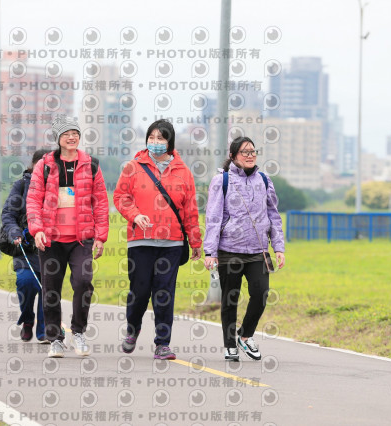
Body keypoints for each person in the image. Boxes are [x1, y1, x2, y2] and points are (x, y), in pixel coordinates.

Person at [113, 119, 202, 360]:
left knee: (164, 293)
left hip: (172, 243)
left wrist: (195, 241)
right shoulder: (133, 167)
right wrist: (135, 215)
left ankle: (163, 343)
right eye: (151, 138)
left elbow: (190, 210)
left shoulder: (183, 172)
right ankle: (133, 329)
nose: (155, 142)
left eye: (160, 138)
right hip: (141, 241)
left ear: (169, 142)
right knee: (140, 291)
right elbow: (120, 197)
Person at [26, 117, 109, 358]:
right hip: (51, 239)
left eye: (75, 133)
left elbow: (100, 203)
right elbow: (33, 200)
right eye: (66, 134)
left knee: (83, 282)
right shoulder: (45, 165)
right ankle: (55, 339)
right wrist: (37, 230)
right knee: (51, 289)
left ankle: (78, 332)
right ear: (58, 139)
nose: (71, 137)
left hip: (81, 239)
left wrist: (101, 236)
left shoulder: (91, 165)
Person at [203, 137, 285, 361]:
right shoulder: (222, 181)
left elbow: (274, 215)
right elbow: (213, 218)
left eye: (252, 151)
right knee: (230, 299)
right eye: (244, 152)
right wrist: (210, 252)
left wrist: (278, 247)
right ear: (233, 156)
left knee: (261, 294)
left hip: (258, 251)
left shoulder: (264, 180)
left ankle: (245, 336)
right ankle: (229, 345)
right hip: (229, 250)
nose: (250, 155)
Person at [1, 149, 51, 343]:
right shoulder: (21, 185)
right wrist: (14, 232)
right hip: (26, 246)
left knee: (48, 289)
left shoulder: (60, 187)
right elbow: (8, 213)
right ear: (33, 165)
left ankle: (44, 331)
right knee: (26, 282)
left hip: (52, 247)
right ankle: (28, 319)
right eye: (41, 165)